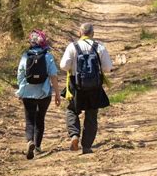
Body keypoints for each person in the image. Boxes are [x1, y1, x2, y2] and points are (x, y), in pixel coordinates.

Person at [60, 23, 112, 154]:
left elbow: (63, 66)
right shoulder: (99, 47)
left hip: (76, 86)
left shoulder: (72, 47)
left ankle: (74, 135)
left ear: (80, 33)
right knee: (91, 115)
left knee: (72, 110)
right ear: (92, 33)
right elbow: (107, 68)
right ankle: (87, 146)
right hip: (94, 87)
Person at [16, 30, 61, 160]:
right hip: (44, 93)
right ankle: (37, 146)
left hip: (28, 94)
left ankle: (29, 140)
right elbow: (53, 76)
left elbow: (20, 75)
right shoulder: (48, 56)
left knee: (29, 119)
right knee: (40, 119)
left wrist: (21, 90)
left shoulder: (25, 56)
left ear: (31, 42)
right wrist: (57, 94)